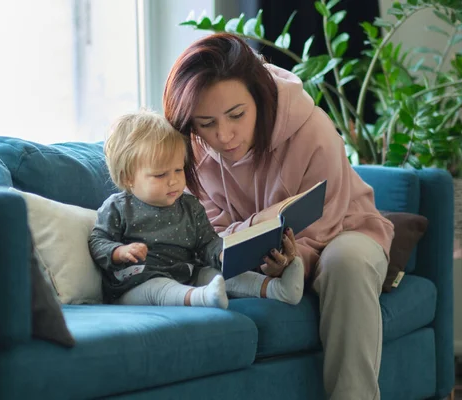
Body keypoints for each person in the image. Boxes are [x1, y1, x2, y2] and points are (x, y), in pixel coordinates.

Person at [163, 33, 395, 400]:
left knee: (347, 263)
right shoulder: (192, 151)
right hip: (268, 255)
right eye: (206, 123)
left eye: (236, 115)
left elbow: (326, 220)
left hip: (342, 230)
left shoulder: (313, 129)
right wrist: (263, 237)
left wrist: (290, 260)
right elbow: (207, 236)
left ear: (260, 97)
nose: (224, 135)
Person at [88, 109, 305, 309]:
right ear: (128, 178)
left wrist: (221, 253)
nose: (173, 181)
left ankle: (279, 290)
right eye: (161, 175)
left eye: (178, 170)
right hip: (136, 286)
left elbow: (207, 242)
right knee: (159, 288)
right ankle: (203, 298)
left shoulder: (189, 205)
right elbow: (98, 241)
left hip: (187, 274)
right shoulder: (118, 207)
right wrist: (119, 252)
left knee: (217, 274)